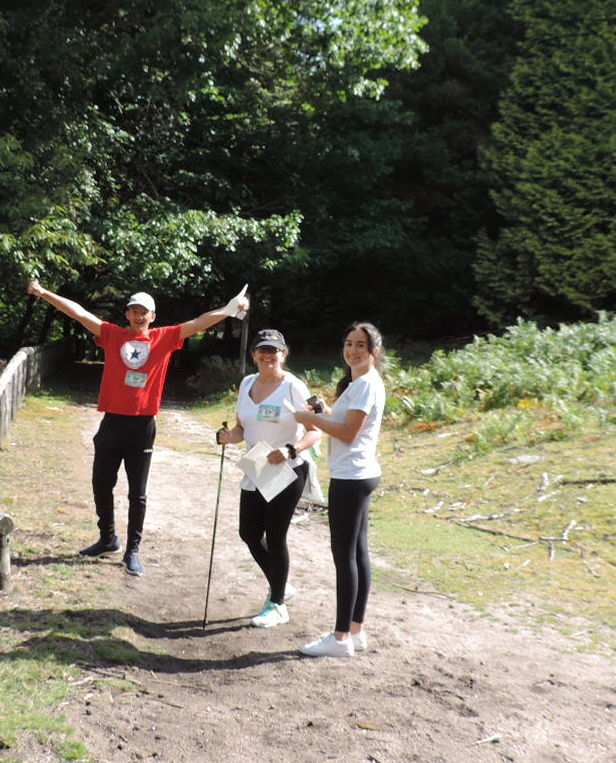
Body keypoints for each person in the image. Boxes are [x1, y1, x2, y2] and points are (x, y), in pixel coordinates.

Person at [27, 279, 248, 576]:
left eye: (144, 311)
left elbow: (198, 323)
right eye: (134, 310)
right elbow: (79, 313)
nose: (139, 315)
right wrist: (44, 293)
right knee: (101, 484)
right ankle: (108, 538)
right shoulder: (112, 335)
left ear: (153, 316)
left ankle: (132, 549)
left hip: (142, 425)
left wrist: (230, 309)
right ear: (127, 314)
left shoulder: (164, 338)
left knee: (137, 492)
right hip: (111, 421)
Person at [293, 322, 386, 657]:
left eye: (361, 345)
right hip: (359, 474)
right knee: (358, 553)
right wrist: (324, 413)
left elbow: (348, 434)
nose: (352, 350)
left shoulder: (366, 384)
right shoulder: (360, 383)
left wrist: (308, 418)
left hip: (351, 478)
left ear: (374, 350)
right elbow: (347, 424)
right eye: (348, 343)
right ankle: (355, 632)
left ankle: (340, 637)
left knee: (345, 556)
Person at [215, 329, 319, 628]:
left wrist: (290, 449)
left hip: (288, 469)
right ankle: (281, 584)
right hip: (257, 466)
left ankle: (277, 604)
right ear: (253, 355)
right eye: (262, 350)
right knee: (249, 533)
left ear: (283, 354)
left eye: (274, 350)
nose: (268, 355)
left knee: (275, 535)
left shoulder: (294, 387)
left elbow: (315, 430)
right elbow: (241, 428)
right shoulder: (247, 383)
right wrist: (228, 437)